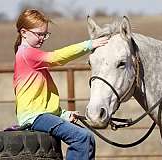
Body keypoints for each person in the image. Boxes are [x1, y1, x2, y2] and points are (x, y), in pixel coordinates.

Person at [13, 9, 108, 160]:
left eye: (45, 34)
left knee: (88, 138)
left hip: (42, 115)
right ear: (24, 32)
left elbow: (41, 99)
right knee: (81, 138)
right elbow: (56, 57)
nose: (43, 38)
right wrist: (89, 45)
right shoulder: (27, 54)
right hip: (35, 117)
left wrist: (63, 115)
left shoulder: (31, 57)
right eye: (39, 34)